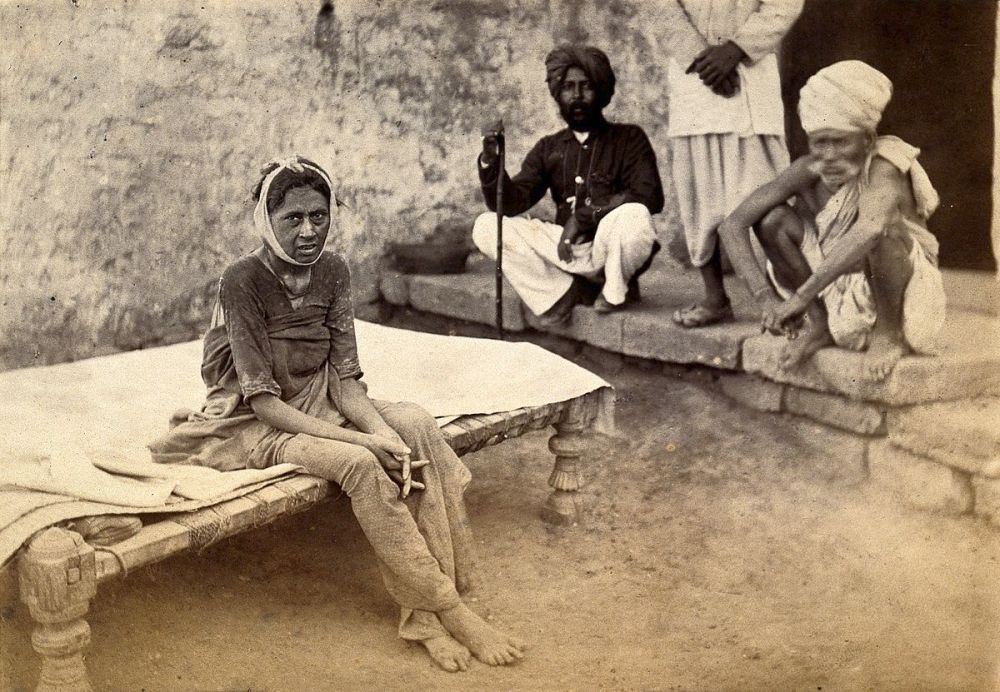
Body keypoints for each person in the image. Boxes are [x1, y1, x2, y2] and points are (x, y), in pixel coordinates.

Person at [149, 156, 525, 672]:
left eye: (319, 216)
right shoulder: (242, 280)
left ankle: (424, 612)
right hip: (259, 422)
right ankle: (448, 608)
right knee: (363, 466)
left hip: (325, 397)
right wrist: (368, 444)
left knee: (414, 423)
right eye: (293, 219)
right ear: (267, 221)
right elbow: (262, 402)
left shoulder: (333, 270)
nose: (309, 231)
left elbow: (347, 383)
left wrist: (380, 430)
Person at [718, 61, 947, 381]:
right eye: (820, 142)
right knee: (773, 221)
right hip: (835, 289)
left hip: (902, 293)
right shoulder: (809, 169)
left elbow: (869, 230)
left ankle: (888, 333)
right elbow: (732, 225)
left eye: (840, 142)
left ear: (867, 140)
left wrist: (800, 297)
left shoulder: (885, 164)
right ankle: (819, 325)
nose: (828, 154)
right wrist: (764, 299)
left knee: (882, 232)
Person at [472, 44, 665, 326]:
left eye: (585, 86)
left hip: (609, 247)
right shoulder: (549, 147)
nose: (576, 96)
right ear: (557, 95)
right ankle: (563, 294)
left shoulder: (629, 138)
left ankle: (613, 291)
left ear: (600, 90)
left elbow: (650, 196)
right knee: (487, 225)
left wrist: (585, 218)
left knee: (635, 215)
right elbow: (512, 203)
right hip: (566, 248)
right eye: (568, 88)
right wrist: (491, 161)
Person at [664, 0, 803, 328]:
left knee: (764, 192)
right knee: (698, 191)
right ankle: (715, 298)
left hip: (750, 78)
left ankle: (791, 298)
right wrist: (701, 58)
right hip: (693, 79)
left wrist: (736, 50)